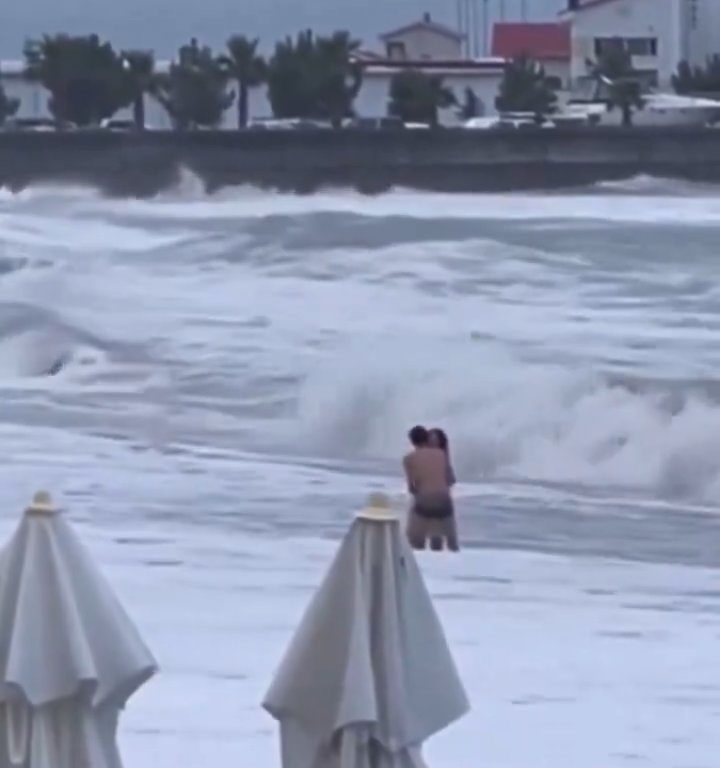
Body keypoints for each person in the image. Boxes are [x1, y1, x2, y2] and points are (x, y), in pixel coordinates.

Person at [403, 425, 459, 552]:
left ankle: (419, 552)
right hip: (444, 502)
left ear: (412, 441)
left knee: (413, 539)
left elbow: (411, 488)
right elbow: (451, 480)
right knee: (448, 539)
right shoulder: (441, 454)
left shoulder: (408, 459)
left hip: (425, 501)